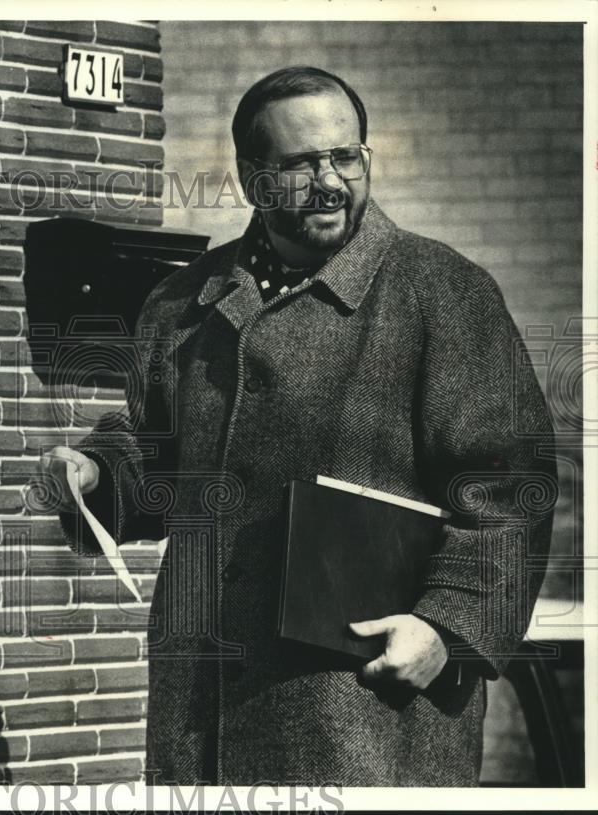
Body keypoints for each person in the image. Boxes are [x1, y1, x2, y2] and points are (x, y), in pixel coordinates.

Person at [38, 66, 556, 786]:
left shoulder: (444, 294)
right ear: (253, 181)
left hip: (366, 714)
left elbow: (507, 489)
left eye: (346, 156)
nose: (331, 181)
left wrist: (446, 627)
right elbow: (155, 458)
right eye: (301, 164)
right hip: (205, 714)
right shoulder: (180, 305)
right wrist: (98, 473)